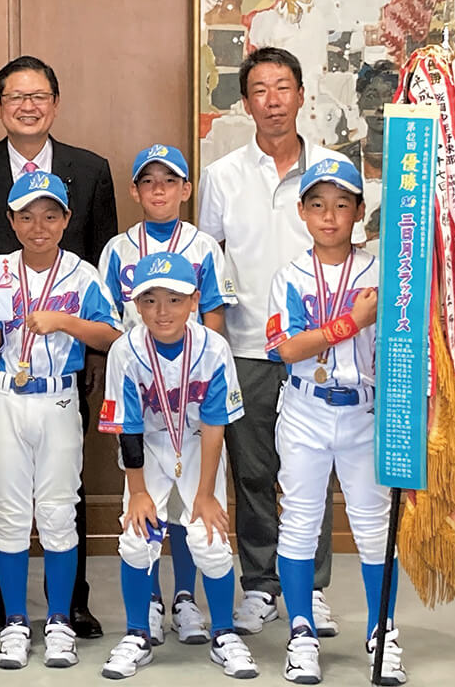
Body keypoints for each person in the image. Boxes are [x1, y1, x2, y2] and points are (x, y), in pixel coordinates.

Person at [0, 55, 117, 641]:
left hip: (65, 372)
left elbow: (102, 264)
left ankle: (71, 606)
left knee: (67, 494)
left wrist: (94, 357)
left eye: (39, 95)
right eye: (16, 96)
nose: (28, 105)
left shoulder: (89, 170)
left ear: (55, 103)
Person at [197, 47, 357, 637]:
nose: (272, 101)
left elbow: (351, 253)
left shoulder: (334, 167)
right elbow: (209, 261)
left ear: (301, 96)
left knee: (312, 473)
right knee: (254, 473)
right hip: (246, 348)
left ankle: (310, 588)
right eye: (260, 90)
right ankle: (261, 585)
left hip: (320, 349)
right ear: (246, 103)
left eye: (282, 87)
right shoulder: (222, 175)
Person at [0, 171, 121, 670]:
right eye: (27, 216)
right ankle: (14, 622)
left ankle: (58, 620)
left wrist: (65, 322)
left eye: (51, 215)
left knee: (57, 511)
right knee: (9, 513)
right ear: (11, 221)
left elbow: (112, 337)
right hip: (6, 396)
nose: (39, 226)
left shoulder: (81, 273)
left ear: (67, 219)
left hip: (58, 398)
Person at [264, 158, 403, 685]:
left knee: (373, 525)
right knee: (300, 521)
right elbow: (286, 349)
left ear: (359, 211)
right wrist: (351, 321)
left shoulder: (380, 272)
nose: (329, 216)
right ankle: (301, 631)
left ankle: (382, 631)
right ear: (302, 212)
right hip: (306, 408)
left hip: (365, 410)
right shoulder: (290, 276)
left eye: (342, 204)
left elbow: (400, 344)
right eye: (318, 204)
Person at [97, 143, 237, 647]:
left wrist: (195, 359)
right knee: (142, 522)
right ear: (135, 190)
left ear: (186, 188)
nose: (159, 190)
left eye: (169, 180)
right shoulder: (118, 249)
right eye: (148, 181)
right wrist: (142, 367)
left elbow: (214, 313)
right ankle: (148, 610)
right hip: (144, 386)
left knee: (199, 522)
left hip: (193, 409)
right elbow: (109, 321)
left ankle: (188, 600)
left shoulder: (204, 247)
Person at [99, 252, 257, 680]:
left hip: (198, 446)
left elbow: (215, 424)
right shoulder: (126, 350)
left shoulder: (214, 347)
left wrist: (205, 494)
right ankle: (137, 633)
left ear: (194, 302)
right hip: (148, 449)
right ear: (136, 304)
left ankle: (223, 633)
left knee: (210, 537)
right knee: (136, 537)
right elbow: (128, 428)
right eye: (150, 300)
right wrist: (138, 492)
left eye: (174, 299)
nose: (162, 311)